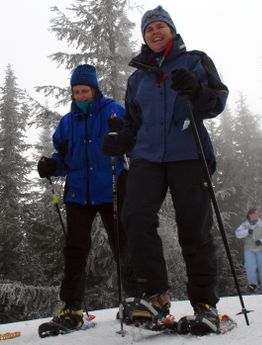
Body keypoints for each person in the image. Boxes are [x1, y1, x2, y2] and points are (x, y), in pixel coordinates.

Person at [102, 6, 228, 334]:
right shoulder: (137, 79)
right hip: (146, 157)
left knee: (193, 227)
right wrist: (120, 138)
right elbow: (132, 122)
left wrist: (196, 91)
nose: (155, 32)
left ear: (171, 30)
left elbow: (216, 101)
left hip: (188, 153)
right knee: (134, 217)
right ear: (144, 36)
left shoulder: (194, 61)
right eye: (149, 29)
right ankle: (155, 298)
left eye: (160, 26)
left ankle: (205, 306)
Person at [37, 64, 134, 331]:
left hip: (111, 185)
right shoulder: (68, 123)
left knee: (122, 243)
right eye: (76, 91)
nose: (80, 96)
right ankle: (72, 308)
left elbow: (130, 138)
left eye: (84, 90)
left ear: (94, 90)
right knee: (75, 249)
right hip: (78, 192)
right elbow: (64, 159)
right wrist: (51, 166)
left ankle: (135, 300)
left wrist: (122, 136)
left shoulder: (111, 110)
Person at [235, 208, 262, 294]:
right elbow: (237, 234)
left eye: (257, 213)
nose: (256, 215)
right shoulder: (245, 225)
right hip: (249, 249)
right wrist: (247, 231)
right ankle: (253, 284)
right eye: (254, 213)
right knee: (249, 266)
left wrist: (261, 241)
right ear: (249, 215)